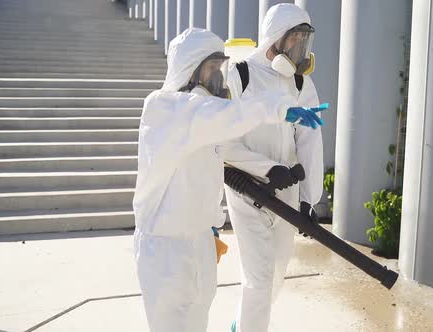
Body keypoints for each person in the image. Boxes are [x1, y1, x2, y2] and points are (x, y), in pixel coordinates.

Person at [132, 28, 325, 332]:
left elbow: (205, 174)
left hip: (198, 243)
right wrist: (279, 108)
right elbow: (229, 115)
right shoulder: (164, 108)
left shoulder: (204, 119)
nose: (218, 80)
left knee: (198, 324)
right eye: (211, 70)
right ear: (189, 71)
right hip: (165, 251)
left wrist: (212, 223)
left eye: (220, 69)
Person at [219, 4, 324, 332]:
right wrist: (266, 168)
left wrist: (310, 198)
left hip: (288, 189)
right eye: (295, 40)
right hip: (245, 188)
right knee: (259, 279)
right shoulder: (239, 74)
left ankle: (240, 325)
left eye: (304, 41)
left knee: (275, 277)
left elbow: (310, 141)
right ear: (275, 40)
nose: (300, 49)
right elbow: (222, 142)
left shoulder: (299, 83)